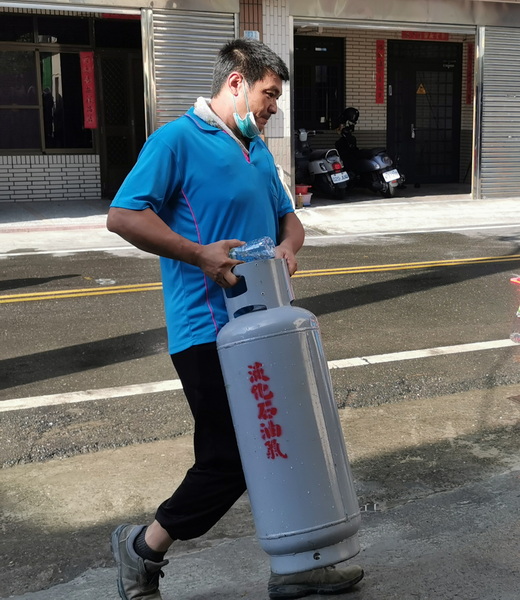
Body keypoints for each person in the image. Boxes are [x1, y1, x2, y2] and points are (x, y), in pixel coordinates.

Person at [107, 38, 364, 600]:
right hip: (206, 331)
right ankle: (142, 548)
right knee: (229, 458)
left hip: (267, 329)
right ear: (236, 83)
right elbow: (123, 215)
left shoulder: (256, 152)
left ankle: (298, 564)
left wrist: (289, 247)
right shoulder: (176, 140)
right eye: (269, 94)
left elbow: (288, 219)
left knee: (284, 441)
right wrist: (197, 253)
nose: (274, 107)